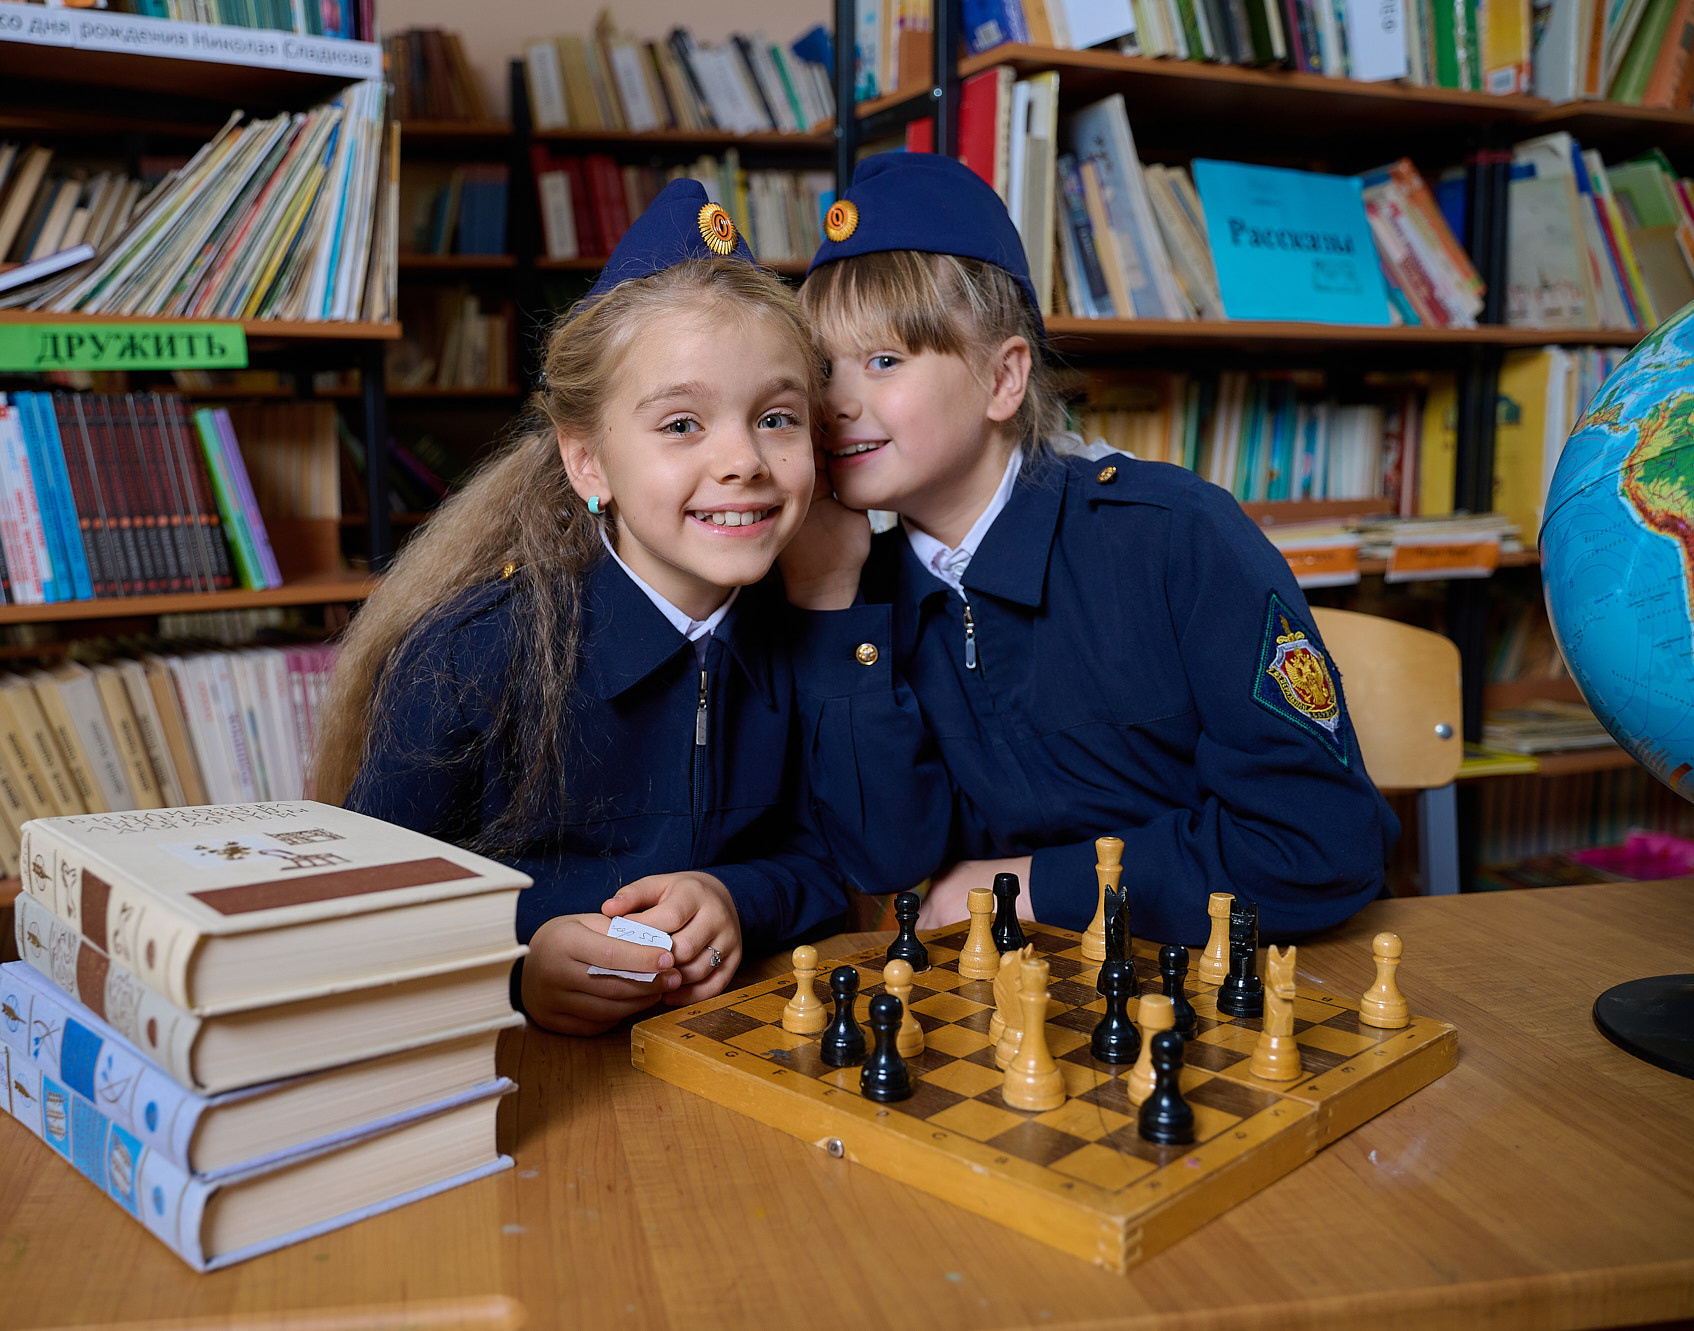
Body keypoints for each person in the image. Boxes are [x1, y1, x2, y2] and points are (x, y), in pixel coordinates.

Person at [314, 181, 929, 1036]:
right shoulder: (469, 657)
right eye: (681, 424)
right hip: (523, 1076)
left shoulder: (811, 623)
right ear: (588, 463)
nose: (744, 460)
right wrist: (512, 969)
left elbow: (852, 862)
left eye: (777, 417)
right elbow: (355, 920)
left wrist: (734, 896)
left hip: (731, 1052)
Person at [780, 152, 1399, 946]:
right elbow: (888, 861)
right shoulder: (857, 589)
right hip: (1026, 989)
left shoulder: (1174, 535)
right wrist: (832, 605)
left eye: (884, 361)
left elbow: (1320, 847)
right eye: (821, 370)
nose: (836, 403)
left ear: (1004, 379)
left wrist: (1031, 885)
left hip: (1232, 971)